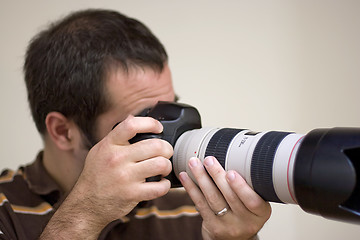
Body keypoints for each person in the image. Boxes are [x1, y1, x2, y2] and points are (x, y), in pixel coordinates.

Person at [0, 9, 271, 240]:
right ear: (63, 131)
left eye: (171, 108)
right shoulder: (5, 210)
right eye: (147, 116)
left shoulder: (197, 210)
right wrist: (85, 214)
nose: (170, 134)